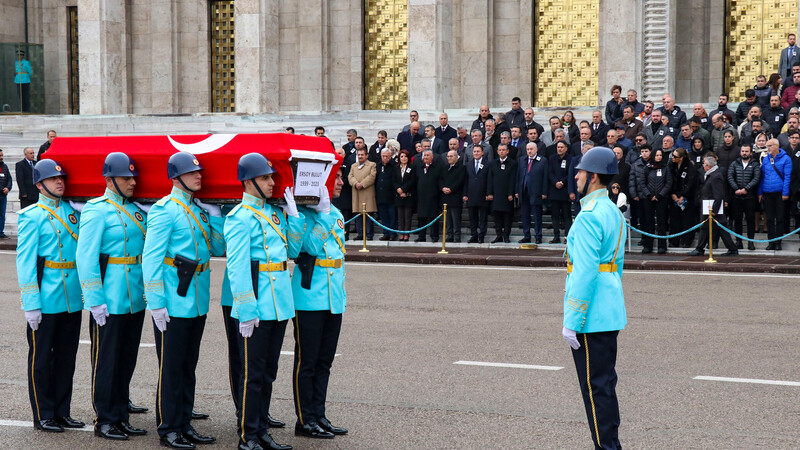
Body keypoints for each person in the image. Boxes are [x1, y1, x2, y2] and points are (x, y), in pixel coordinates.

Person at [142, 151, 225, 448]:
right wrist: (156, 301)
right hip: (173, 301)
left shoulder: (198, 209)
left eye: (199, 172)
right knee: (172, 366)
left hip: (197, 297)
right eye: (192, 173)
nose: (199, 176)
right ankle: (169, 428)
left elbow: (218, 247)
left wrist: (215, 218)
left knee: (189, 364)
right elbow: (150, 258)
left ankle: (185, 422)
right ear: (176, 178)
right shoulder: (165, 210)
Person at [224, 153, 303, 450]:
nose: (272, 183)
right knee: (252, 374)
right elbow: (238, 267)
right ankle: (249, 435)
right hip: (255, 306)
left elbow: (291, 250)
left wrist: (293, 216)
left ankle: (262, 430)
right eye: (265, 178)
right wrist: (245, 308)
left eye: (271, 177)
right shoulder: (239, 217)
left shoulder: (273, 213)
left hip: (278, 303)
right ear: (248, 183)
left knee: (268, 372)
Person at [76, 153, 148, 441]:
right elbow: (86, 257)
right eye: (125, 178)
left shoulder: (136, 210)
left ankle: (121, 414)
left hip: (134, 297)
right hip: (110, 297)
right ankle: (104, 419)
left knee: (126, 358)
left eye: (133, 178)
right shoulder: (96, 210)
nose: (132, 182)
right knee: (107, 360)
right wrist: (94, 299)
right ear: (109, 180)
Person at [560, 146, 626, 450]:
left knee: (595, 389)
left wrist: (572, 319)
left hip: (590, 315)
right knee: (605, 385)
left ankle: (606, 447)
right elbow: (617, 265)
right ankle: (611, 443)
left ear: (594, 177)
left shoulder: (588, 217)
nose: (576, 176)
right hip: (609, 308)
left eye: (581, 172)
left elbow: (584, 273)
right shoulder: (613, 211)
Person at [17, 158, 84, 435]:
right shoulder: (31, 216)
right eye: (53, 179)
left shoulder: (73, 212)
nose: (60, 182)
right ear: (39, 184)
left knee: (67, 358)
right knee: (42, 359)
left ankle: (62, 411)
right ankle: (44, 414)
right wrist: (31, 304)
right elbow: (25, 263)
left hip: (71, 298)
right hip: (46, 299)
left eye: (61, 178)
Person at [291, 169, 348, 440]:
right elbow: (310, 248)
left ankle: (319, 414)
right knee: (308, 361)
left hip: (333, 296)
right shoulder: (304, 215)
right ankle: (304, 420)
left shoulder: (335, 213)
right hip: (309, 297)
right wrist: (323, 216)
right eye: (336, 178)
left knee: (324, 361)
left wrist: (327, 214)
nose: (340, 183)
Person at [689, 156, 740, 256]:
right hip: (708, 206)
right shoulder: (712, 174)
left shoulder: (716, 176)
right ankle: (700, 248)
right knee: (705, 228)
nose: (703, 166)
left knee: (721, 229)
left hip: (712, 207)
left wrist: (714, 209)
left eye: (704, 164)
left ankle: (732, 248)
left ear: (708, 166)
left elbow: (719, 194)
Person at [758, 139, 792, 250]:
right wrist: (760, 192)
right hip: (767, 192)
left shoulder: (786, 159)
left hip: (779, 193)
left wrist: (785, 192)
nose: (767, 148)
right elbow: (762, 176)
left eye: (769, 146)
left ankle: (778, 242)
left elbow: (787, 177)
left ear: (776, 146)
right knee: (770, 218)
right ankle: (771, 241)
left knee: (780, 218)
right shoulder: (766, 160)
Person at [728, 145, 761, 251]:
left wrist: (746, 189)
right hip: (736, 197)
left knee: (750, 221)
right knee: (737, 221)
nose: (744, 153)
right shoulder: (734, 163)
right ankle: (739, 241)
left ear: (751, 153)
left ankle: (751, 242)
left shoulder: (755, 164)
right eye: (742, 151)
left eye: (746, 151)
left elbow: (756, 178)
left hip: (750, 197)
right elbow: (730, 176)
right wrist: (736, 189)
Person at [640, 148, 672, 254]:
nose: (659, 157)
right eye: (657, 155)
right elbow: (642, 183)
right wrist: (649, 195)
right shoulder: (647, 168)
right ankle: (648, 245)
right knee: (649, 223)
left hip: (661, 199)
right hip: (648, 199)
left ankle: (662, 246)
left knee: (661, 222)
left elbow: (668, 183)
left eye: (660, 155)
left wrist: (660, 194)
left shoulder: (665, 168)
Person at [517, 142, 548, 244]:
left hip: (536, 192)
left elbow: (545, 177)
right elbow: (518, 176)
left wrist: (544, 192)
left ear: (536, 150)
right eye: (528, 149)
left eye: (531, 149)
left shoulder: (542, 161)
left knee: (537, 215)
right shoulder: (522, 160)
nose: (529, 151)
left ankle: (538, 235)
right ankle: (527, 235)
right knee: (525, 215)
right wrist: (517, 190)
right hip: (524, 191)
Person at [668, 148, 698, 248]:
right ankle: (674, 241)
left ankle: (687, 241)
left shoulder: (690, 167)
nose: (673, 158)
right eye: (673, 156)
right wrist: (672, 194)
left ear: (681, 158)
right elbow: (669, 180)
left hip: (687, 197)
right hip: (674, 196)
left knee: (687, 220)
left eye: (675, 157)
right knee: (674, 220)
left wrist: (683, 195)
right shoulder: (671, 165)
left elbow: (691, 182)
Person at [487, 144, 517, 243]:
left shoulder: (512, 163)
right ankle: (499, 235)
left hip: (507, 194)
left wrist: (510, 194)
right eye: (499, 150)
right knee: (497, 216)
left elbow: (513, 179)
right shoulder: (493, 163)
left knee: (507, 216)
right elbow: (490, 179)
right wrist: (489, 193)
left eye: (503, 150)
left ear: (507, 151)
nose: (501, 152)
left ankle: (506, 235)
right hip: (496, 194)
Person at [347, 148, 377, 241]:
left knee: (368, 215)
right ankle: (360, 234)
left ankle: (369, 234)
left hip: (367, 194)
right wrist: (355, 183)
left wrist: (362, 184)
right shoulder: (353, 166)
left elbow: (372, 177)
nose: (360, 156)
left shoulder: (372, 165)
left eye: (362, 155)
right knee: (358, 215)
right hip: (357, 193)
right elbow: (350, 176)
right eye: (359, 155)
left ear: (366, 155)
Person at [415, 150, 443, 242]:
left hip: (433, 197)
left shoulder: (438, 168)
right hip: (421, 197)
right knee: (421, 218)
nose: (426, 157)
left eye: (427, 155)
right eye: (424, 155)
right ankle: (421, 236)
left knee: (434, 218)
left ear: (432, 157)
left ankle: (434, 237)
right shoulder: (419, 167)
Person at [463, 145, 490, 243]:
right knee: (472, 217)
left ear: (482, 152)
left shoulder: (487, 164)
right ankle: (474, 235)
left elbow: (489, 180)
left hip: (483, 195)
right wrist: (465, 194)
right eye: (474, 151)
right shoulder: (468, 164)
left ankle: (482, 235)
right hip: (471, 195)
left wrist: (489, 193)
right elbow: (465, 180)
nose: (476, 153)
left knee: (483, 218)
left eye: (478, 151)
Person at [548, 141, 572, 243]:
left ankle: (567, 236)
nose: (560, 149)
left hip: (565, 190)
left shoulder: (570, 159)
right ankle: (556, 236)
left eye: (562, 147)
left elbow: (570, 173)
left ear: (566, 148)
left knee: (567, 215)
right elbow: (549, 172)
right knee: (555, 215)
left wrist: (562, 182)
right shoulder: (552, 158)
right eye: (558, 147)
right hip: (554, 190)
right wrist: (555, 182)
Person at [441, 149, 466, 243]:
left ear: (456, 157)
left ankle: (456, 236)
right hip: (445, 197)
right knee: (448, 220)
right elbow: (440, 179)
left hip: (455, 196)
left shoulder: (461, 167)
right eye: (448, 156)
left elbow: (460, 181)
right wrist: (443, 188)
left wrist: (451, 189)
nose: (449, 158)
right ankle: (449, 235)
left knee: (455, 219)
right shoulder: (445, 167)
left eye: (451, 156)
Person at [394, 150, 416, 241]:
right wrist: (398, 189)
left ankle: (407, 233)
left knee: (407, 216)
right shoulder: (396, 168)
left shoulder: (412, 167)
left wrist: (403, 189)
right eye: (402, 156)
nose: (403, 158)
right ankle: (401, 233)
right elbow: (394, 180)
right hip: (398, 195)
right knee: (400, 216)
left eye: (405, 156)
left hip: (409, 195)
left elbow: (412, 181)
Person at [375, 149, 397, 241]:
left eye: (386, 156)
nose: (384, 158)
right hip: (381, 195)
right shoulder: (378, 165)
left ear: (390, 156)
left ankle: (392, 233)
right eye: (383, 156)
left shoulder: (394, 166)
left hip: (391, 196)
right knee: (383, 216)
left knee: (392, 216)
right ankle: (386, 233)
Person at [332, 148, 353, 239]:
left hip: (345, 195)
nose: (338, 155)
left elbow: (348, 178)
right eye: (337, 153)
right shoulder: (333, 165)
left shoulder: (348, 165)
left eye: (340, 153)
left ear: (344, 155)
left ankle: (345, 234)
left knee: (345, 216)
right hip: (336, 198)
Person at [0, 148, 11, 238]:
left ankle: (1, 232)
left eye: (2, 155)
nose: (1, 157)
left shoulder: (4, 166)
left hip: (3, 195)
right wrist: (1, 189)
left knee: (2, 215)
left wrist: (8, 187)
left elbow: (9, 179)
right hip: (1, 192)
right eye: (0, 156)